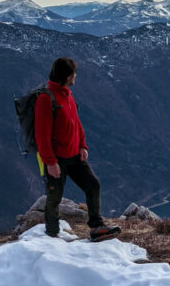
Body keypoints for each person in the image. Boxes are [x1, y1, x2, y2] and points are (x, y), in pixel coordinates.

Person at [34, 57, 120, 241]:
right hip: (56, 159)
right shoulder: (46, 98)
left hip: (74, 156)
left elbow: (76, 123)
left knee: (93, 184)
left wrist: (83, 145)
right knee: (54, 197)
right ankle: (51, 235)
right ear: (66, 76)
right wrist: (50, 162)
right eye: (74, 73)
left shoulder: (68, 95)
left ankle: (97, 227)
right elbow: (41, 135)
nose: (76, 76)